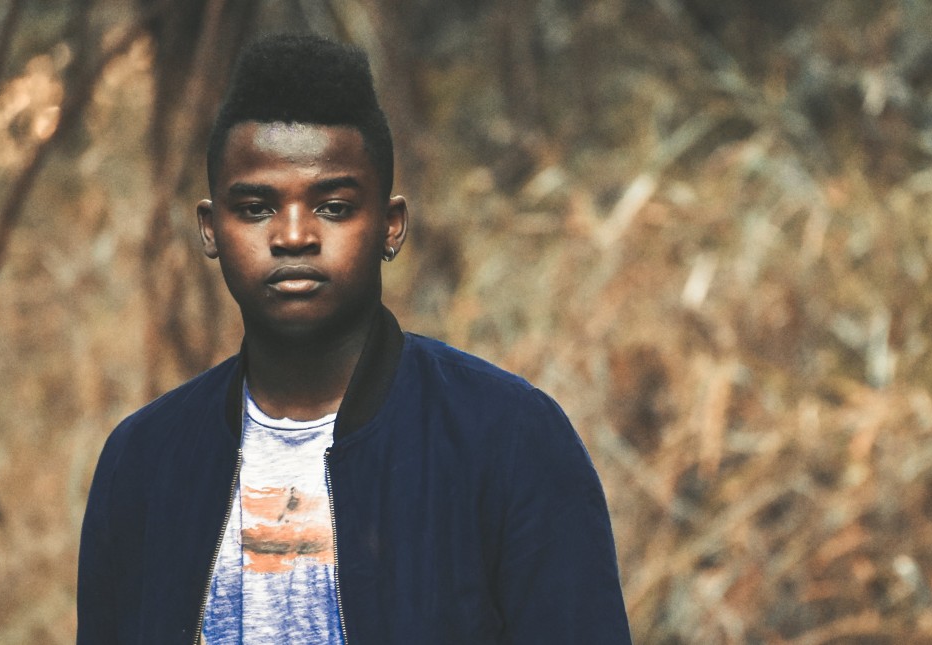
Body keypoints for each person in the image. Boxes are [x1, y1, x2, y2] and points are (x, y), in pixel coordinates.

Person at [77, 33, 631, 644]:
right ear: (211, 230)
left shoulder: (508, 438)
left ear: (391, 227)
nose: (293, 236)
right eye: (257, 207)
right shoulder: (144, 461)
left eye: (334, 207)